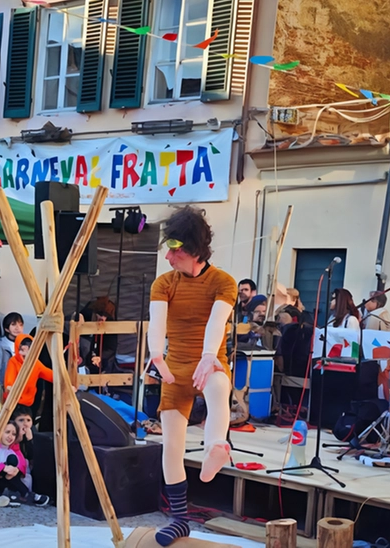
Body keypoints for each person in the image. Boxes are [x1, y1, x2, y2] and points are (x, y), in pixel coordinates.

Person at [147, 206, 237, 546]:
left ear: (195, 251)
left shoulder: (222, 282)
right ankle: (180, 518)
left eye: (175, 250)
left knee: (218, 388)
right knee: (171, 445)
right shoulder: (164, 283)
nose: (169, 257)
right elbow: (156, 322)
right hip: (174, 369)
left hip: (208, 362)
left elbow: (217, 322)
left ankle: (216, 447)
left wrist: (209, 356)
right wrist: (157, 356)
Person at [0, 422, 49, 506]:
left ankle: (15, 495)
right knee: (8, 469)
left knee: (12, 459)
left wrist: (16, 469)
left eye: (14, 434)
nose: (10, 436)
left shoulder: (14, 448)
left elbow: (22, 463)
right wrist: (3, 468)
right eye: (7, 432)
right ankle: (26, 494)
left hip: (10, 480)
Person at [4, 335, 51, 417]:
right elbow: (9, 381)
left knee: (28, 423)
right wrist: (10, 388)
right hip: (14, 403)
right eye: (22, 350)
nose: (25, 354)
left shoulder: (35, 363)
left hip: (29, 403)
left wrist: (65, 382)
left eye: (29, 350)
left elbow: (50, 375)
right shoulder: (13, 361)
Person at [0, 313, 24, 387]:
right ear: (6, 328)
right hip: (5, 385)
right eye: (13, 324)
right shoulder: (0, 345)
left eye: (20, 324)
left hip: (21, 384)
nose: (17, 328)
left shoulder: (25, 344)